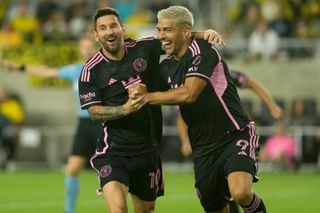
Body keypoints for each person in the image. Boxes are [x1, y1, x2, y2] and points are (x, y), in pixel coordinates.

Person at [78, 7, 224, 213]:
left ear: (122, 28)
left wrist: (202, 33)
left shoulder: (144, 48)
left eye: (113, 26)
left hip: (148, 150)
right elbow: (93, 112)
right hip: (113, 152)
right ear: (96, 35)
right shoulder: (91, 70)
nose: (109, 31)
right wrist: (124, 109)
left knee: (146, 209)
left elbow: (175, 37)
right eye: (102, 28)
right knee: (118, 209)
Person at [130, 6, 267, 213]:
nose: (160, 36)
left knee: (240, 192)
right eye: (158, 30)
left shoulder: (204, 50)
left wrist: (146, 98)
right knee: (215, 207)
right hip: (203, 148)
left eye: (167, 30)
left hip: (234, 134)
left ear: (185, 31)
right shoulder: (166, 66)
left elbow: (189, 94)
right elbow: (158, 92)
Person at [0, 36, 100, 213]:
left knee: (111, 172)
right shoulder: (75, 71)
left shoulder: (105, 69)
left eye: (89, 47)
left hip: (104, 123)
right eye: (83, 47)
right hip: (84, 125)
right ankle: (69, 211)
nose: (86, 50)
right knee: (72, 169)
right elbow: (46, 72)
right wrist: (19, 66)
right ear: (80, 50)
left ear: (96, 48)